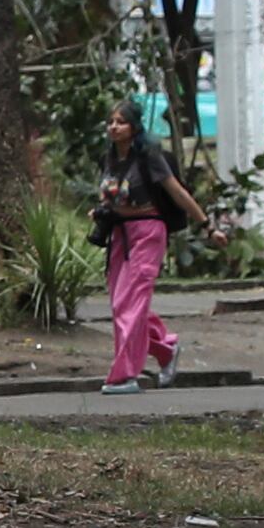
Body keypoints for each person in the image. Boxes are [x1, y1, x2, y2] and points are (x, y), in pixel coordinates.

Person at [92, 101, 205, 393]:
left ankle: (125, 376)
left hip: (147, 233)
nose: (114, 127)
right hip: (120, 235)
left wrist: (206, 225)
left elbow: (177, 192)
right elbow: (108, 196)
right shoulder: (109, 159)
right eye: (111, 122)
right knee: (122, 303)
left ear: (134, 127)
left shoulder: (149, 157)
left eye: (121, 122)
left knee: (129, 302)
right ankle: (165, 348)